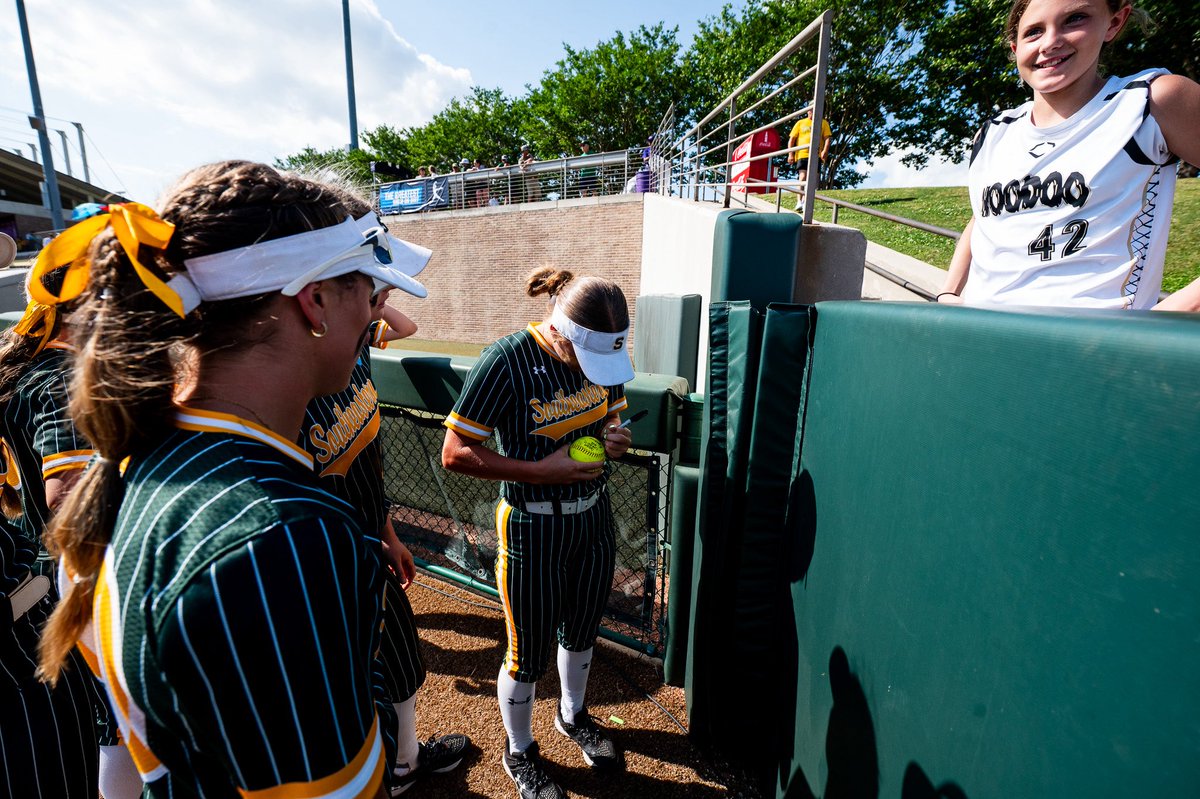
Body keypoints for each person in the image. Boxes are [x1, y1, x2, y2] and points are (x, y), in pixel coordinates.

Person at [36, 161, 424, 798]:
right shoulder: (281, 533)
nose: (372, 310)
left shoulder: (142, 455)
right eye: (365, 287)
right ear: (315, 301)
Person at [297, 182, 470, 794]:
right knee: (352, 680)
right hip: (333, 566)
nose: (384, 295)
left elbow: (362, 468)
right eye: (371, 283)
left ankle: (401, 761)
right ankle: (392, 768)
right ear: (316, 299)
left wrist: (389, 533)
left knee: (396, 661)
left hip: (367, 544)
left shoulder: (350, 353)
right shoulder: (284, 398)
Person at [442, 267, 634, 799]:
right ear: (562, 331)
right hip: (531, 524)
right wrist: (539, 471)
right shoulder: (505, 360)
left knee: (582, 630)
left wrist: (616, 438)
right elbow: (454, 453)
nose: (597, 370)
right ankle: (519, 750)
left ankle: (572, 716)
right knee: (527, 652)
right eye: (588, 355)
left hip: (593, 517)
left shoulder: (604, 355)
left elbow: (611, 419)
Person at [938, 0, 1200, 310]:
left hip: (1093, 340)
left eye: (1075, 19)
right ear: (1015, 48)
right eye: (1033, 32)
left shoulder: (1149, 101)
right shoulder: (992, 133)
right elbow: (984, 217)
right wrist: (948, 292)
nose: (1050, 42)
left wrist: (1167, 313)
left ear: (1115, 22)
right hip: (981, 333)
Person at [0, 266, 139, 797]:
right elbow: (66, 497)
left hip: (38, 574)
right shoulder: (64, 376)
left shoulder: (26, 360)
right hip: (76, 581)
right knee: (115, 721)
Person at [786, 107, 832, 189]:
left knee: (814, 179)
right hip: (802, 154)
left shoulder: (823, 122)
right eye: (811, 110)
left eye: (814, 110)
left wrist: (825, 151)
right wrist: (790, 154)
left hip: (816, 154)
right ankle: (800, 197)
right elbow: (792, 140)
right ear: (808, 111)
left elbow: (827, 139)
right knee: (802, 177)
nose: (812, 112)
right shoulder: (800, 123)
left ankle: (810, 196)